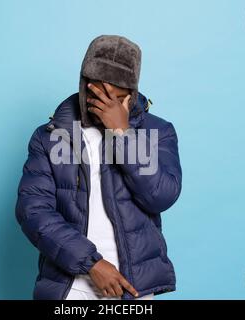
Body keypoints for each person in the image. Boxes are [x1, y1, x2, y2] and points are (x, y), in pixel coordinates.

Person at [15, 35, 182, 300]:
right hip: (70, 284)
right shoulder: (50, 135)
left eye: (116, 99)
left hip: (132, 287)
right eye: (98, 95)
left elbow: (160, 196)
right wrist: (92, 263)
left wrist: (123, 133)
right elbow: (33, 211)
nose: (106, 105)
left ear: (131, 95)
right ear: (86, 87)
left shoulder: (157, 132)